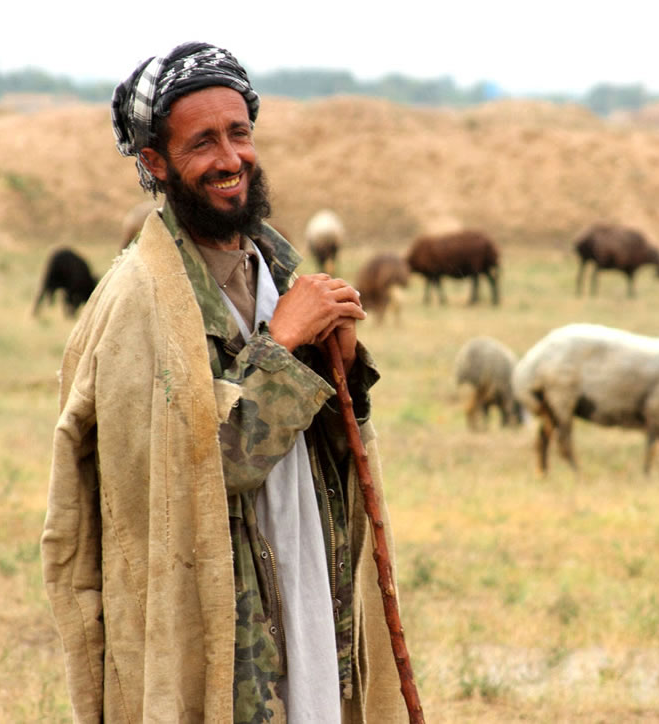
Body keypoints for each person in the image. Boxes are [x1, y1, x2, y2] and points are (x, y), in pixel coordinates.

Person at [40, 42, 406, 723]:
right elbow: (195, 478)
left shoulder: (280, 267)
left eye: (239, 133)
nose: (230, 158)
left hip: (306, 591)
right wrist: (284, 346)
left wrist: (343, 372)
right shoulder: (137, 301)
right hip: (214, 624)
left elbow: (331, 452)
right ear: (154, 162)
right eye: (202, 142)